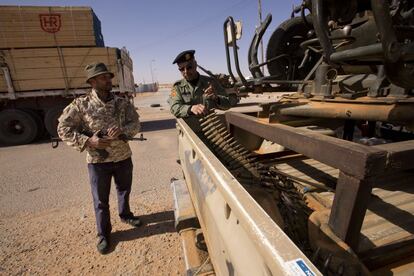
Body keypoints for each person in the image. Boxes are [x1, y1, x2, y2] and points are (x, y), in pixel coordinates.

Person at [57, 62, 141, 254]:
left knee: (124, 190)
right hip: (98, 162)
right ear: (92, 81)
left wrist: (123, 131)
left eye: (109, 76)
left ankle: (126, 215)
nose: (108, 80)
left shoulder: (122, 103)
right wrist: (89, 141)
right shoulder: (80, 104)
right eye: (103, 77)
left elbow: (135, 124)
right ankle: (103, 234)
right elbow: (63, 128)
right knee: (100, 200)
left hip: (122, 157)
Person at [168, 50, 231, 131]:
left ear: (195, 64)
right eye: (182, 69)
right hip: (190, 134)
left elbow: (228, 104)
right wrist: (190, 108)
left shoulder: (211, 82)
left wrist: (216, 98)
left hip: (212, 132)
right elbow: (174, 108)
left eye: (189, 67)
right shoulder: (177, 87)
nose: (186, 72)